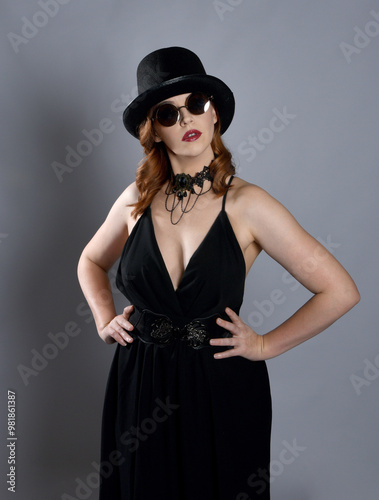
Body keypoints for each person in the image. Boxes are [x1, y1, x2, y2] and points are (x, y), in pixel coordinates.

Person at [77, 47, 360, 500]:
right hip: (140, 379)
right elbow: (90, 261)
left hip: (220, 382)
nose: (186, 117)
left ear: (214, 116)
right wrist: (102, 317)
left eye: (197, 104)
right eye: (168, 112)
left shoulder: (250, 204)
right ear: (154, 132)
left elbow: (340, 290)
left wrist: (266, 345)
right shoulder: (136, 200)